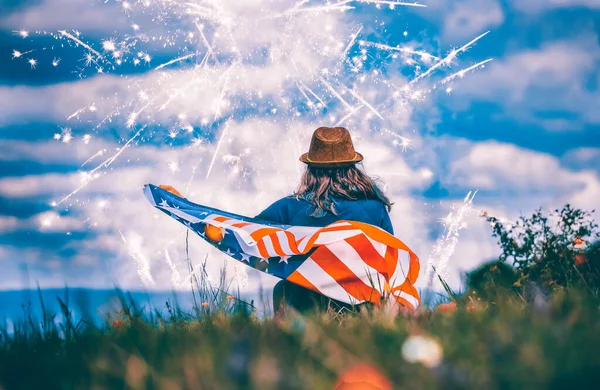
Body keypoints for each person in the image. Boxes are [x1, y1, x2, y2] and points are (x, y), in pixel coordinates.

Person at [255, 126, 394, 314]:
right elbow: (389, 255)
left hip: (303, 300)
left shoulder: (289, 207)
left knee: (282, 289)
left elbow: (250, 234)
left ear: (310, 169)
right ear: (353, 168)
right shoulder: (374, 208)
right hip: (360, 301)